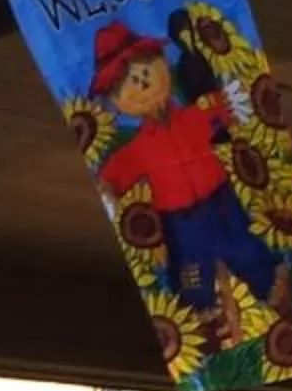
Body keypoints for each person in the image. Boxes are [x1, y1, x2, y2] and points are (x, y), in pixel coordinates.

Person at [88, 19, 276, 351]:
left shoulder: (194, 116)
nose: (139, 82)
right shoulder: (138, 149)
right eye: (125, 83)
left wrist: (240, 100)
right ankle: (212, 344)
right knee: (193, 279)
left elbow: (226, 110)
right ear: (116, 100)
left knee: (251, 253)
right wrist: (108, 193)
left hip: (223, 203)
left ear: (160, 63)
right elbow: (112, 178)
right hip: (181, 223)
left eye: (143, 69)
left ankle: (282, 305)